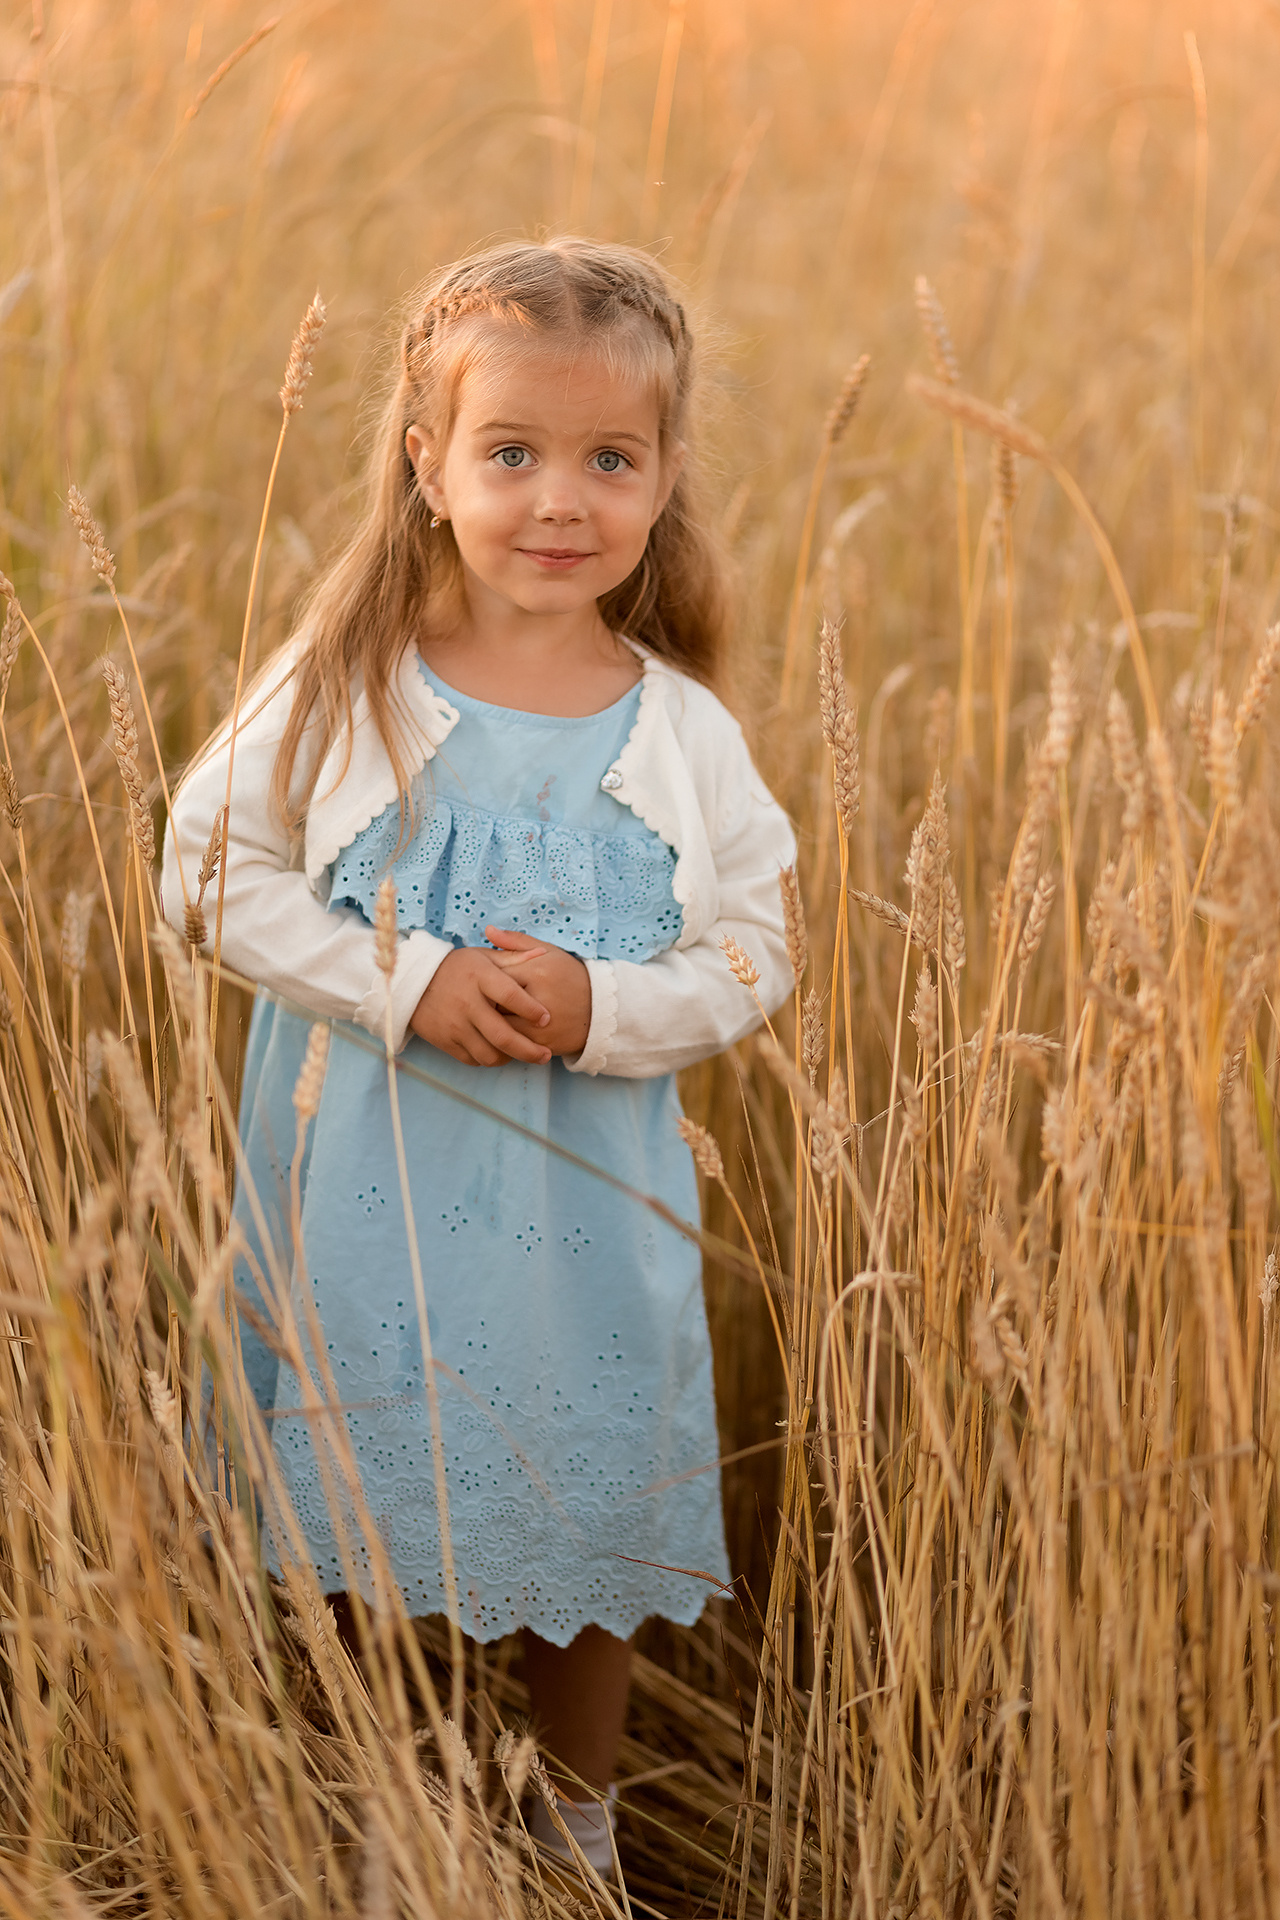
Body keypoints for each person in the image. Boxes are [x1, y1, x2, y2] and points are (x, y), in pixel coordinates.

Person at [164, 236, 794, 1875]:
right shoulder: (347, 684)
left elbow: (757, 947)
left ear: (662, 481)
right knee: (361, 1515)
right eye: (510, 453)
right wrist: (406, 978)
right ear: (426, 463)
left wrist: (610, 1010)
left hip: (587, 1210)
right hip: (367, 1201)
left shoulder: (679, 729)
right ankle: (374, 1822)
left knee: (589, 1520)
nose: (558, 500)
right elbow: (205, 872)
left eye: (609, 460)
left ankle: (570, 1833)